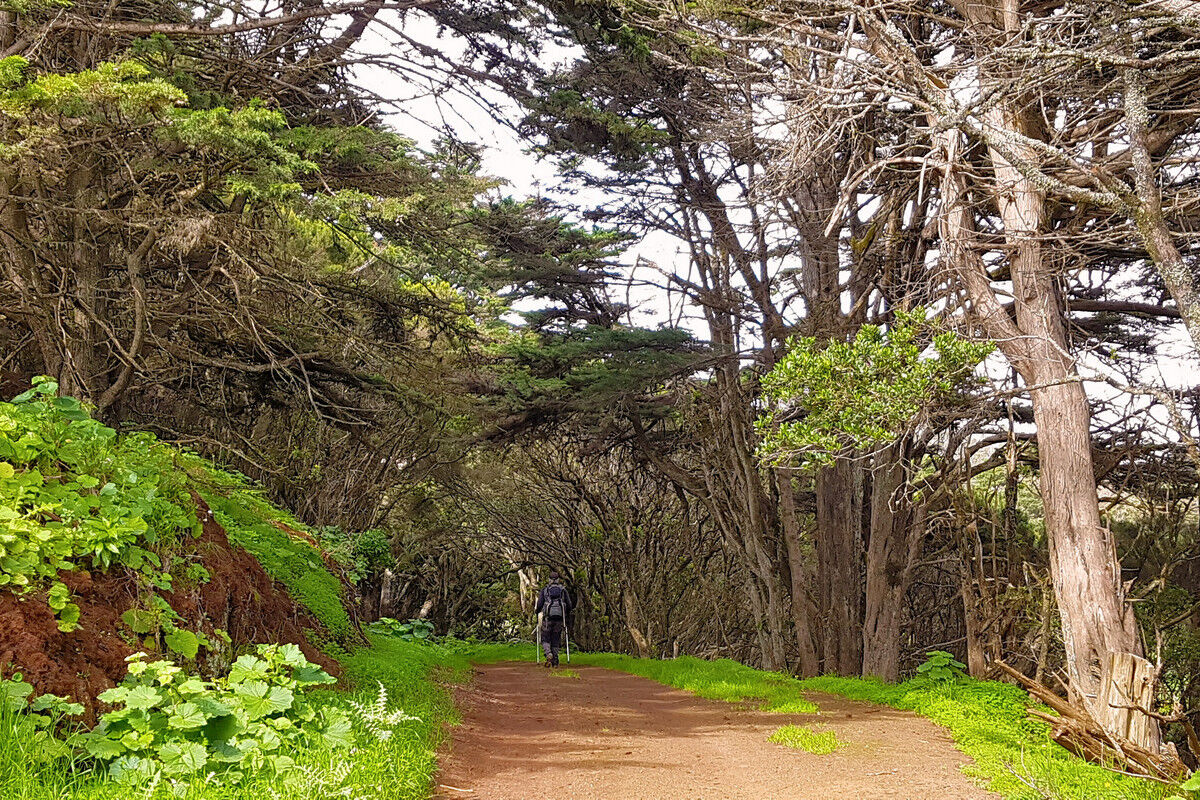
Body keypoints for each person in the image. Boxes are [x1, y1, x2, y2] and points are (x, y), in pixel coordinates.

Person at [535, 570, 572, 667]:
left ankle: (548, 654)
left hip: (547, 619)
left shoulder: (545, 590)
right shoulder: (563, 590)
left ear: (549, 579)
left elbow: (539, 604)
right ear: (558, 579)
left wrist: (537, 612)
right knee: (556, 639)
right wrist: (565, 614)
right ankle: (555, 661)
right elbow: (569, 605)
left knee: (545, 638)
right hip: (559, 619)